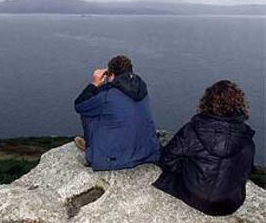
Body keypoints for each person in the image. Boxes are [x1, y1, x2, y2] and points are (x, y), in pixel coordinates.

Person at [153, 80, 256, 216]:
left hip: (193, 194)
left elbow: (167, 159)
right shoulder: (246, 139)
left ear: (207, 102)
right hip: (227, 204)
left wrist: (184, 170)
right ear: (239, 105)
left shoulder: (194, 129)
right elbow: (245, 171)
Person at [73, 55, 160, 171]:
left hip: (114, 160)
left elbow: (79, 105)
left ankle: (92, 149)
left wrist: (94, 84)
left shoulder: (107, 95)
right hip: (147, 153)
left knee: (89, 111)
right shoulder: (141, 88)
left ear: (112, 75)